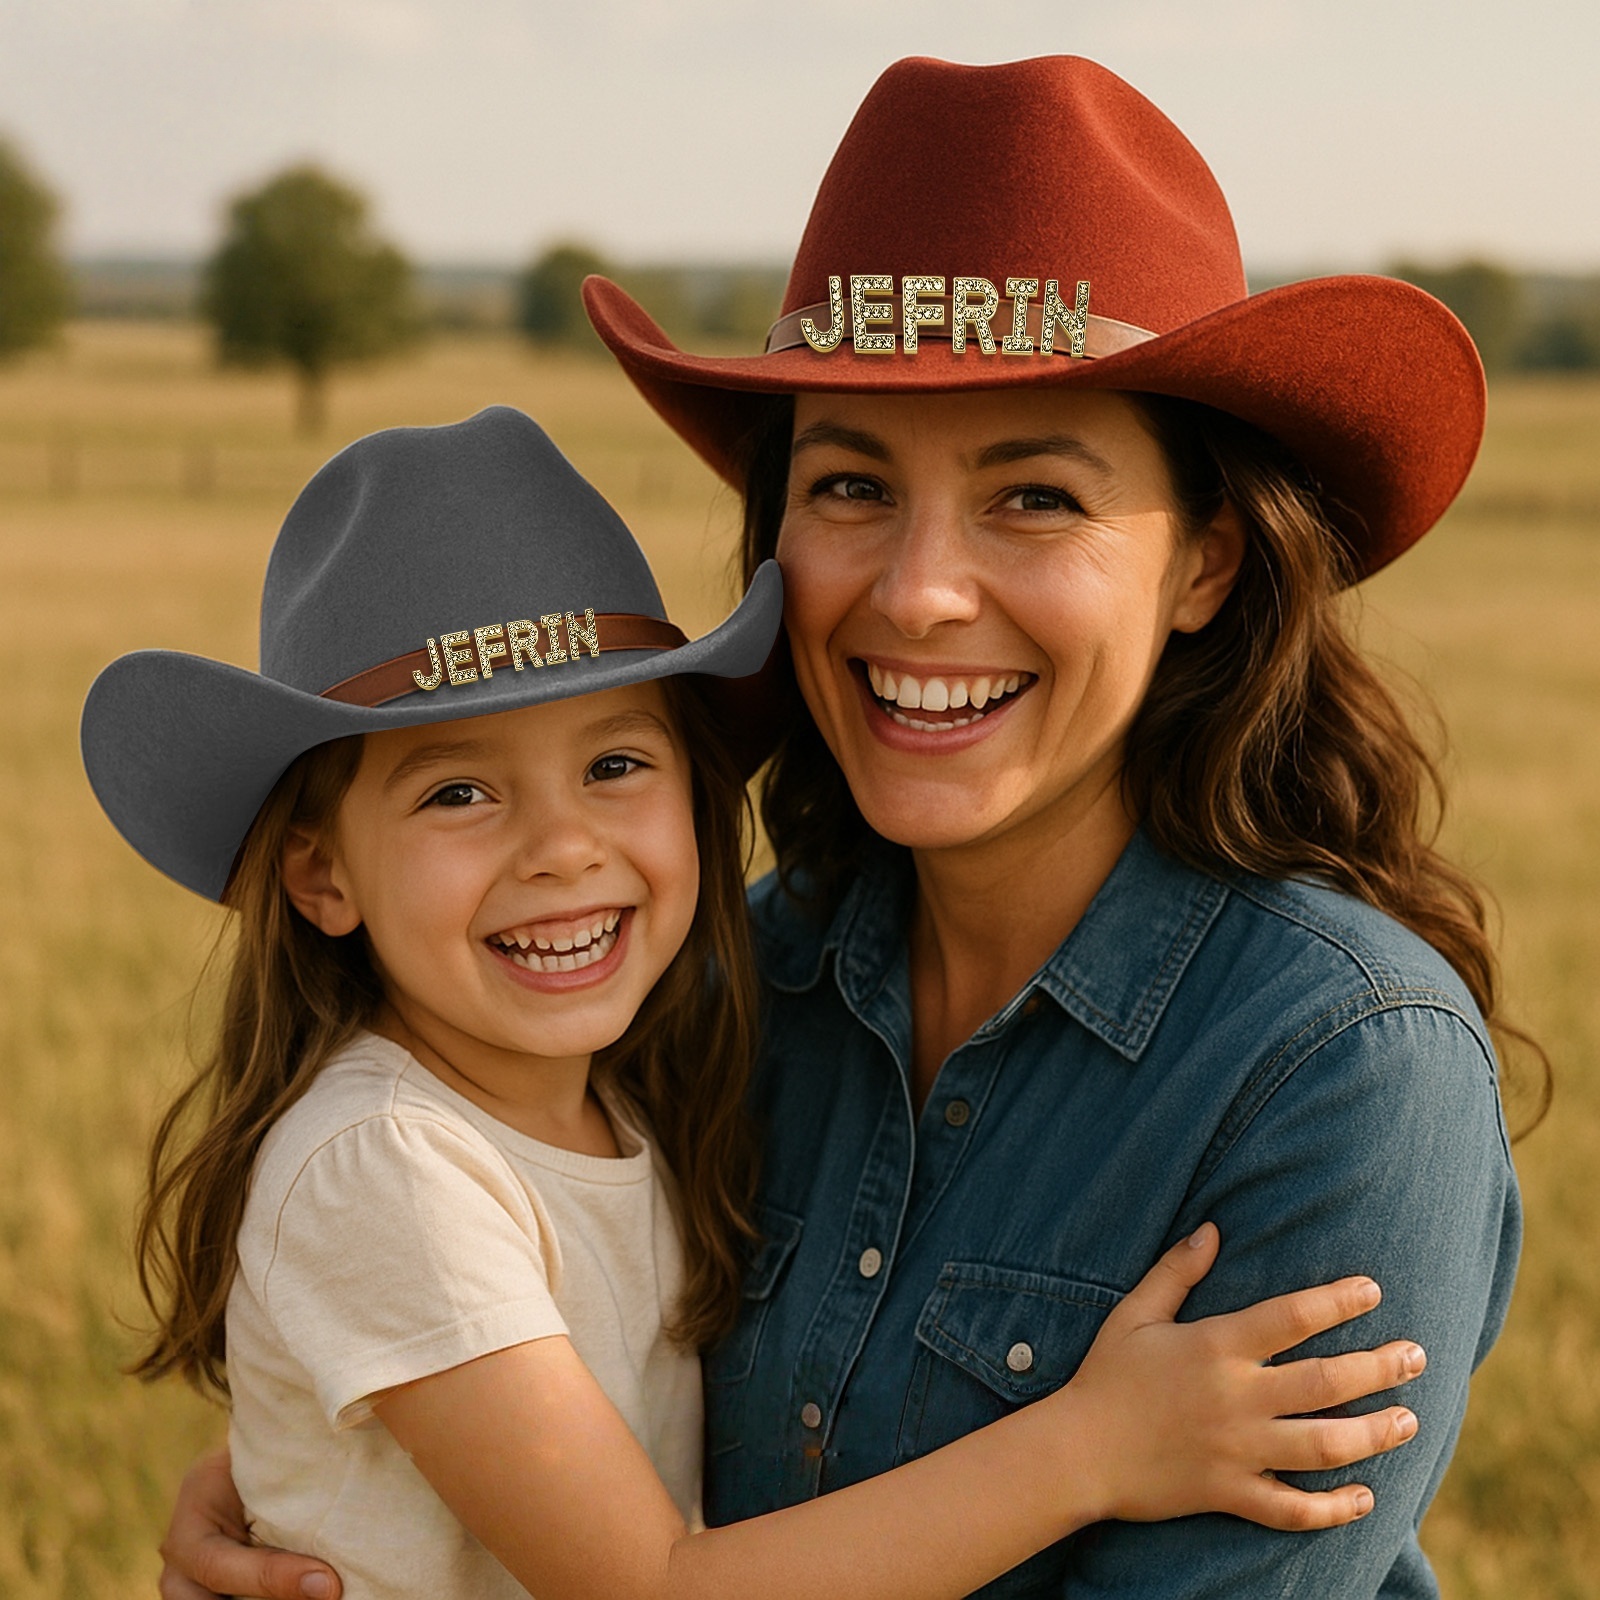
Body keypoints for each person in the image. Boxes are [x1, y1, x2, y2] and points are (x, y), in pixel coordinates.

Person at [157, 54, 1522, 1600]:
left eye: (1037, 499)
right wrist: (326, 1490)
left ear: (1206, 564)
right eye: (853, 482)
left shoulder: (1341, 1063)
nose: (919, 590)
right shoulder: (732, 990)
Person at [86, 405, 1423, 1600]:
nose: (560, 848)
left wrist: (358, 1439)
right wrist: (1088, 1448)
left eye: (614, 761)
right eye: (459, 792)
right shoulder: (404, 1153)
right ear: (320, 873)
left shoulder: (646, 1070)